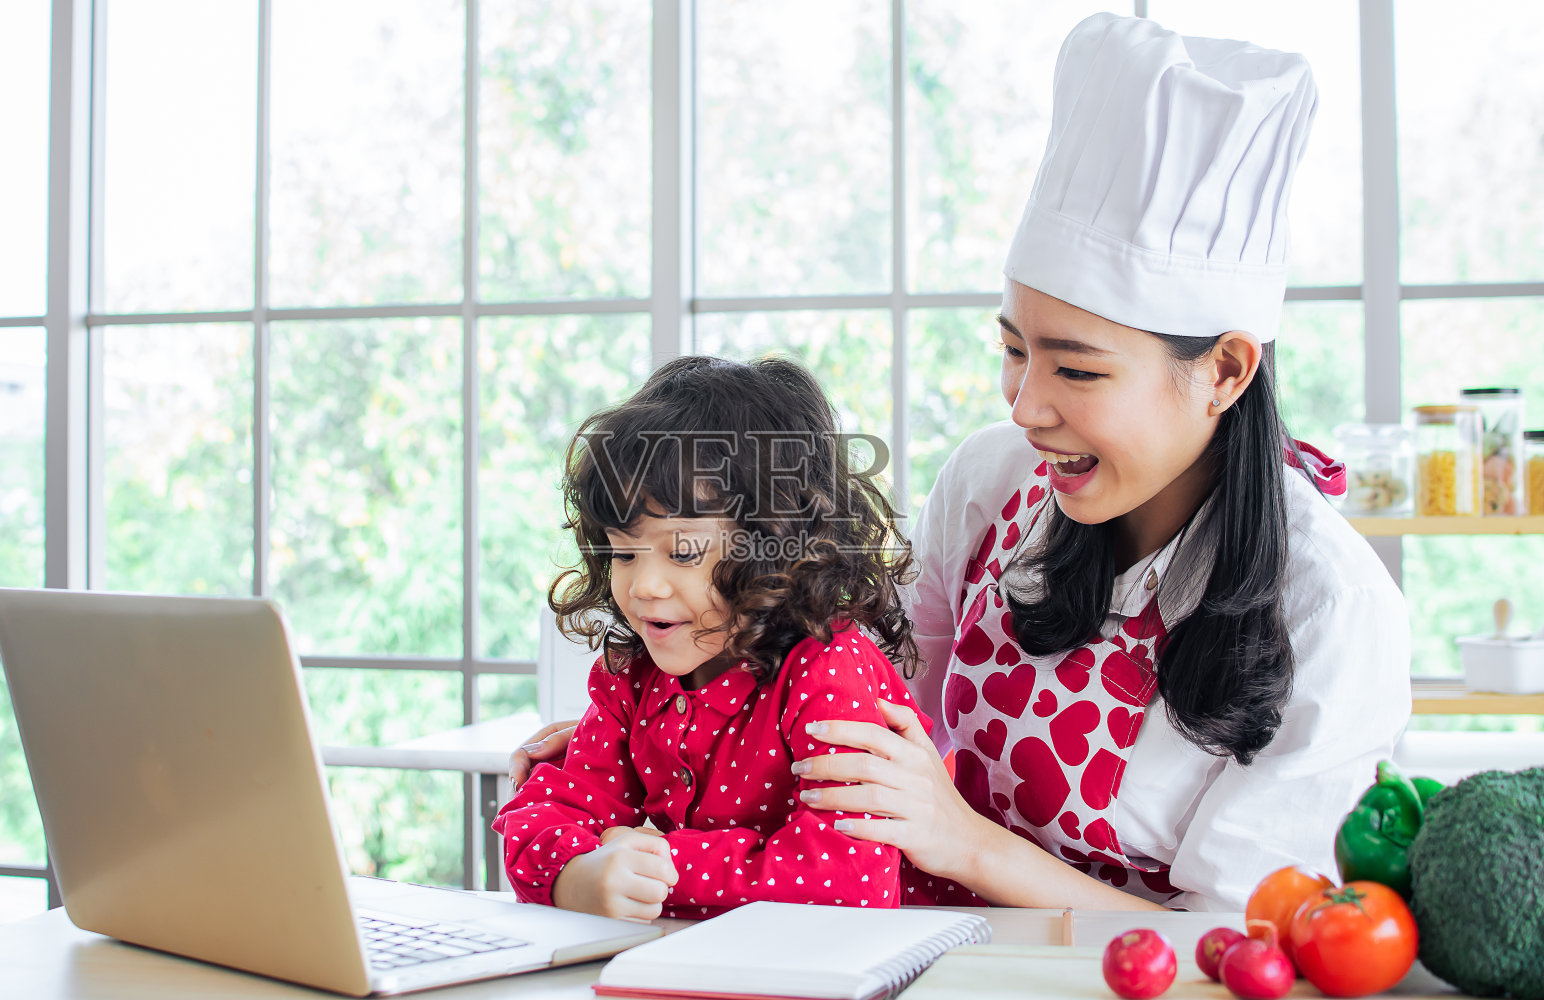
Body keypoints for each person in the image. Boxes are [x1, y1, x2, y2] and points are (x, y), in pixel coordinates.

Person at [512, 12, 1411, 913]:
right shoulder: (993, 485)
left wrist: (967, 845)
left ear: (1223, 370)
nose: (1024, 406)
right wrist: (647, 738)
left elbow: (1232, 950)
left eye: (1078, 368)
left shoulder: (1331, 607)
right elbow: (841, 699)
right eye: (1015, 350)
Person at [495, 355, 929, 921]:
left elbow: (845, 879)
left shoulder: (828, 669)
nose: (644, 585)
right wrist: (575, 876)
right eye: (624, 552)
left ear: (776, 545)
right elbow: (545, 813)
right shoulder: (631, 678)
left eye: (682, 552)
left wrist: (651, 865)